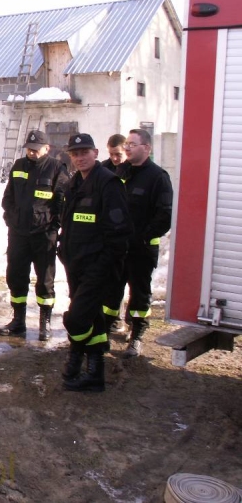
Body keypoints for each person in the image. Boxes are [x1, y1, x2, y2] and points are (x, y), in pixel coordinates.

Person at [58, 133, 131, 392]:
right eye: (75, 154)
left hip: (98, 267)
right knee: (93, 317)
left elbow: (119, 233)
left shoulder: (109, 184)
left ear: (96, 153)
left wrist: (104, 265)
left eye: (84, 152)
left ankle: (76, 354)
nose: (80, 158)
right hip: (75, 265)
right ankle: (95, 373)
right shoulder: (73, 184)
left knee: (76, 319)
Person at [0, 130, 69, 341]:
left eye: (36, 149)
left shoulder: (56, 168)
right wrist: (11, 218)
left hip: (43, 235)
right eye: (29, 149)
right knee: (16, 277)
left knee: (45, 280)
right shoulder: (19, 166)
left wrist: (53, 227)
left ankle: (44, 324)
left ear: (47, 148)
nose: (32, 152)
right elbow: (8, 197)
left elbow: (61, 202)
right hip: (18, 234)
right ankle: (18, 321)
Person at [114, 129, 173, 358]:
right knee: (112, 290)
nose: (127, 148)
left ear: (146, 148)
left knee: (139, 294)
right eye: (127, 144)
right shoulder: (121, 172)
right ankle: (110, 327)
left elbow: (164, 215)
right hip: (118, 247)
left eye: (133, 144)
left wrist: (144, 236)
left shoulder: (158, 177)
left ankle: (136, 336)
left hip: (142, 249)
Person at [100, 133, 129, 334]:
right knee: (110, 279)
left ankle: (130, 323)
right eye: (111, 154)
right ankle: (112, 319)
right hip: (108, 234)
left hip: (130, 234)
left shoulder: (133, 169)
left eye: (118, 154)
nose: (115, 158)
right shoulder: (103, 169)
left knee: (129, 280)